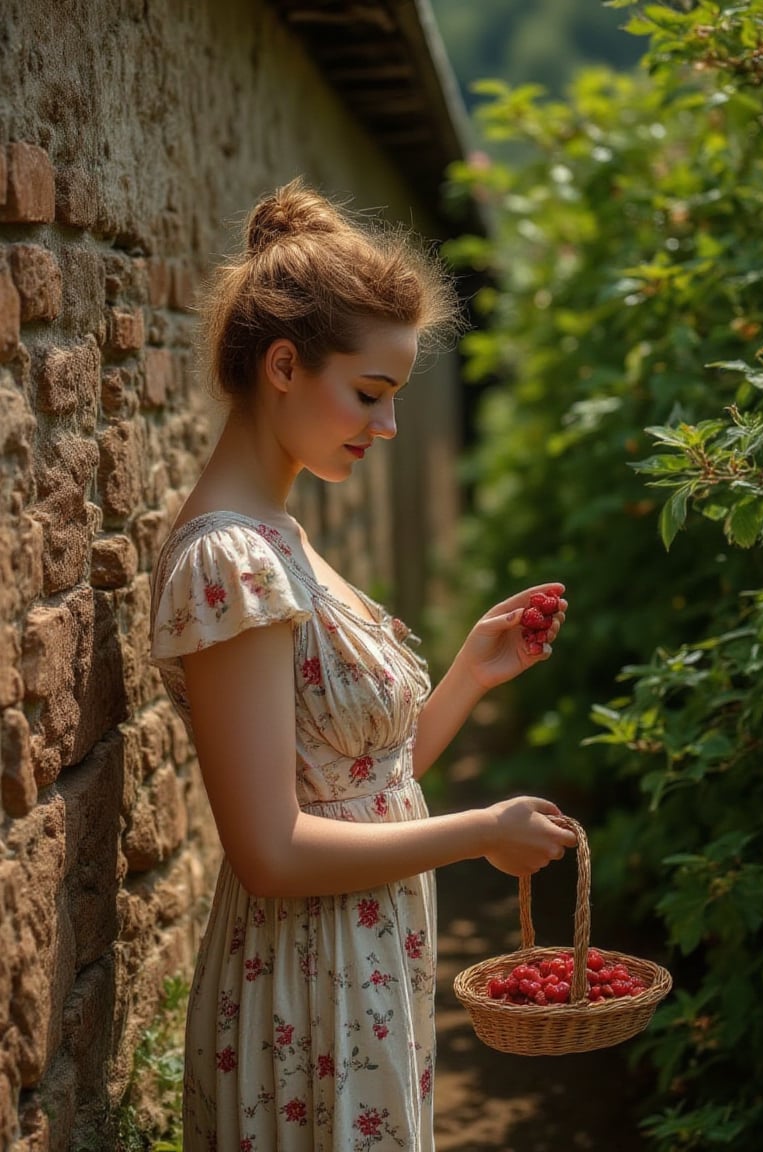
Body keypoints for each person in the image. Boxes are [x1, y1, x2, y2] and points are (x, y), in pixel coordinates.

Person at [149, 178, 577, 1152]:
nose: (385, 429)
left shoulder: (281, 535)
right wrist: (480, 833)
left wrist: (468, 670)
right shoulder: (232, 563)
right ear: (285, 365)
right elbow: (269, 852)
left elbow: (360, 790)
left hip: (363, 967)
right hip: (309, 984)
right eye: (371, 396)